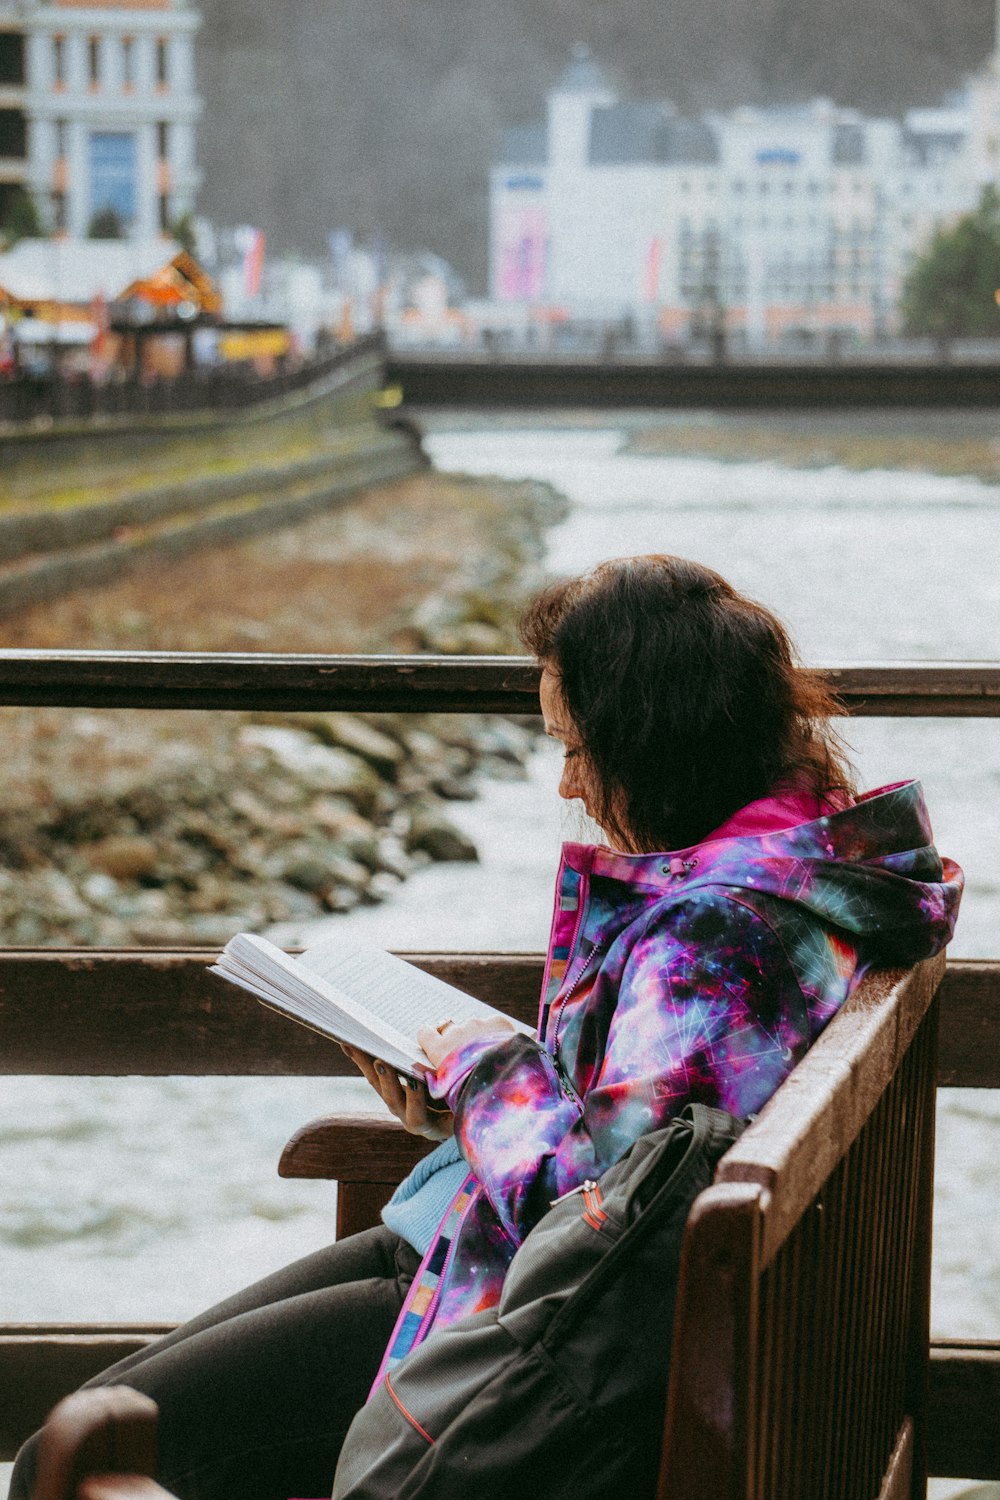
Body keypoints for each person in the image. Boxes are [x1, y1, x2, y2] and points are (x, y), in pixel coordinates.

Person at [11, 554, 962, 1500]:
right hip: (489, 1254)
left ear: (657, 744)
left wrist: (482, 1071)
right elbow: (648, 1148)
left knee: (78, 1452)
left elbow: (593, 1212)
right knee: (98, 1420)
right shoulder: (802, 866)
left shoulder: (717, 933)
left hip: (509, 1322)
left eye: (575, 749)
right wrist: (456, 1106)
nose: (567, 786)